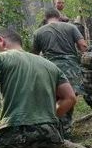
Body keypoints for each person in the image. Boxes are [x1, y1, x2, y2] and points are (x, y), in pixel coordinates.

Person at [32, 8, 88, 139]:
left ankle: (54, 129)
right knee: (69, 98)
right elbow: (83, 46)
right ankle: (65, 131)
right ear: (59, 16)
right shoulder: (71, 27)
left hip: (49, 69)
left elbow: (34, 55)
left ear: (45, 18)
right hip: (71, 68)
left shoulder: (38, 32)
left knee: (55, 98)